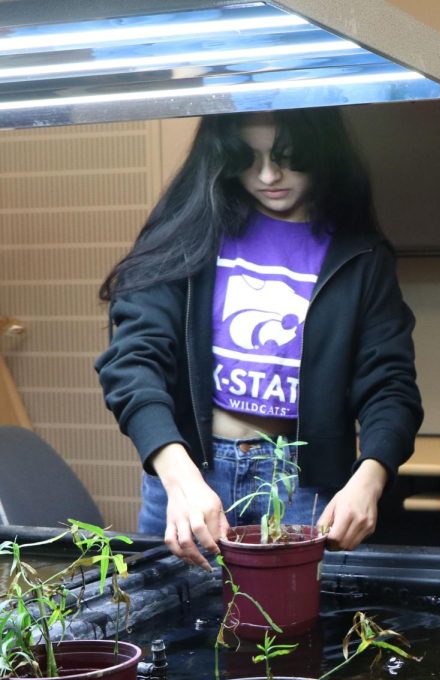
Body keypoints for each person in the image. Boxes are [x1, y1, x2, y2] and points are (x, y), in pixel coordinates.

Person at [96, 108, 422, 567]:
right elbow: (131, 361)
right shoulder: (190, 232)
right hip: (191, 475)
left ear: (324, 154)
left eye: (289, 157)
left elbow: (390, 385)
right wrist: (177, 474)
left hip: (302, 486)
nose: (268, 175)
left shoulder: (361, 256)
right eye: (248, 159)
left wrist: (369, 478)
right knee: (174, 629)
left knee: (293, 634)